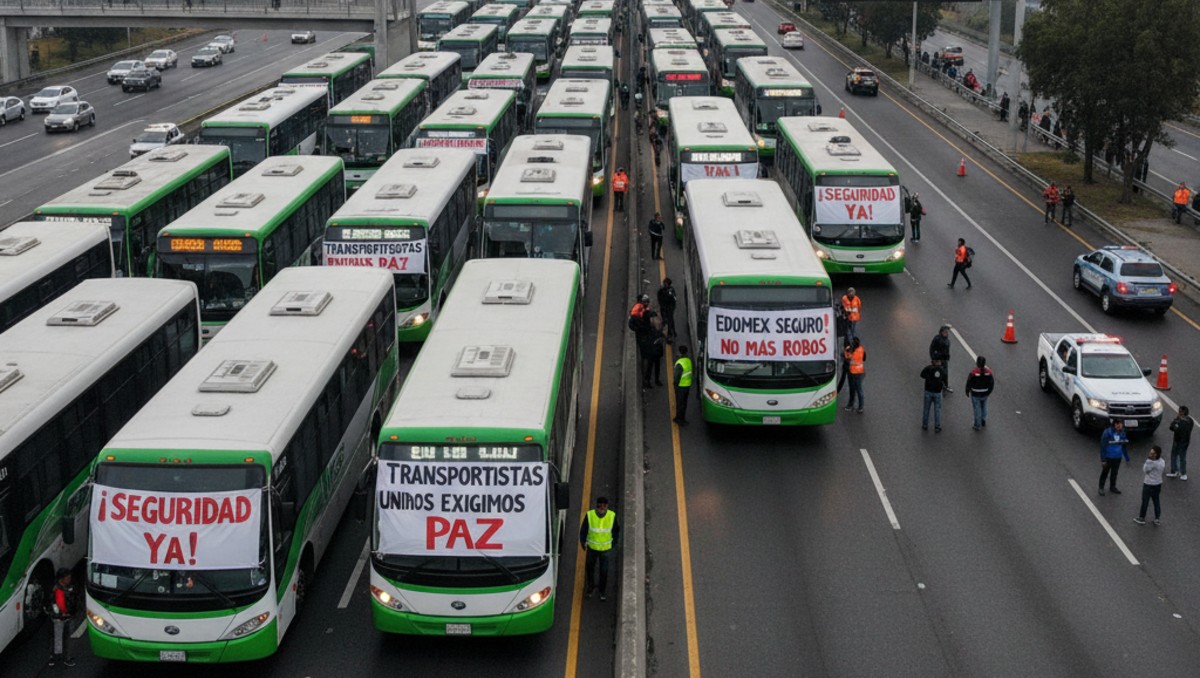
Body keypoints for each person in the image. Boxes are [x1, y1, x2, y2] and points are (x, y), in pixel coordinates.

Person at [579, 497, 619, 601]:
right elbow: (583, 530)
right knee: (590, 569)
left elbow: (616, 531)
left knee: (604, 571)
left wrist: (613, 543)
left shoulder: (612, 516)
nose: (602, 508)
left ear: (607, 506)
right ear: (597, 506)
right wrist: (583, 542)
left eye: (604, 506)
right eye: (599, 506)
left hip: (605, 550)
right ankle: (590, 588)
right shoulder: (590, 515)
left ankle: (602, 591)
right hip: (592, 549)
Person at [48, 568, 75, 667]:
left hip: (66, 617)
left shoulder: (68, 587)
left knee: (63, 637)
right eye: (67, 577)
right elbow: (55, 606)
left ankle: (59, 657)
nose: (69, 579)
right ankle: (58, 657)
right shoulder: (57, 590)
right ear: (61, 579)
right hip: (59, 619)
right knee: (58, 638)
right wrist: (61, 615)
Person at [1135, 446, 1166, 525]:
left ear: (1155, 454)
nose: (1150, 454)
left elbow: (1145, 470)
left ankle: (1142, 518)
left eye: (1152, 453)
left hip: (1149, 484)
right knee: (1156, 501)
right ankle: (1157, 518)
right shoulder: (1162, 462)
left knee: (1145, 501)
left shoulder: (1151, 463)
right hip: (1158, 483)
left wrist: (1148, 460)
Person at [1098, 419, 1130, 495]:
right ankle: (1101, 487)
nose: (1119, 426)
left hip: (1117, 457)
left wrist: (1126, 457)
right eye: (1117, 424)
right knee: (1105, 473)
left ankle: (1112, 487)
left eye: (1120, 424)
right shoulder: (1107, 433)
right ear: (1114, 424)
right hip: (1108, 457)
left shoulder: (1122, 432)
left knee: (1114, 473)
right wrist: (1103, 459)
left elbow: (1123, 445)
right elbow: (1103, 446)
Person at [965, 355, 995, 431]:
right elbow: (991, 383)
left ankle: (977, 425)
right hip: (985, 393)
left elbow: (969, 382)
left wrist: (967, 391)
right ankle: (983, 419)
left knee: (977, 409)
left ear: (977, 363)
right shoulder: (988, 372)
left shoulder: (973, 372)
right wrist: (989, 392)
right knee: (984, 406)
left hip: (975, 393)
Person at [919, 359, 947, 432]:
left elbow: (922, 375)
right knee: (937, 410)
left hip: (928, 391)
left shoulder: (928, 368)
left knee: (926, 409)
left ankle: (925, 424)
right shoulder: (942, 370)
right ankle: (937, 426)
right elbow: (945, 381)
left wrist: (929, 378)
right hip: (937, 392)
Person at [1167, 405, 1193, 480]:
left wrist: (1176, 422)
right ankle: (1178, 471)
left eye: (1180, 411)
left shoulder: (1181, 422)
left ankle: (1179, 472)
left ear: (1183, 412)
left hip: (1180, 442)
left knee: (1178, 456)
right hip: (1184, 442)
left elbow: (1172, 427)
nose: (1178, 412)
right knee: (1180, 456)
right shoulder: (1190, 421)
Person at [844, 337, 865, 413]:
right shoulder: (861, 349)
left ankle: (850, 405)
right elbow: (864, 358)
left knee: (852, 389)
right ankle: (860, 407)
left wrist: (846, 351)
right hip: (861, 372)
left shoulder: (852, 352)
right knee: (859, 390)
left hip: (853, 372)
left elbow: (847, 358)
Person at [929, 325, 952, 392]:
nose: (947, 334)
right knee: (936, 372)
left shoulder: (947, 340)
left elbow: (947, 350)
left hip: (944, 360)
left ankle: (945, 386)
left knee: (945, 373)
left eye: (947, 332)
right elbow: (932, 349)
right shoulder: (937, 339)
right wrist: (933, 359)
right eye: (945, 332)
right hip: (937, 360)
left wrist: (947, 357)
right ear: (941, 332)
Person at [673, 346, 692, 424]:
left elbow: (677, 376)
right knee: (684, 403)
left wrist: (675, 385)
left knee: (680, 403)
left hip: (681, 386)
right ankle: (682, 418)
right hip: (687, 385)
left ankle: (679, 419)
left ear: (680, 352)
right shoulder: (688, 360)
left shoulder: (680, 363)